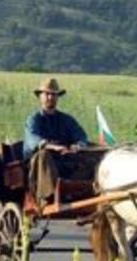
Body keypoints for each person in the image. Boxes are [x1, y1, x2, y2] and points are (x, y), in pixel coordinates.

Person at [23, 77, 96, 205]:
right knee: (44, 155)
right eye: (47, 94)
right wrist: (52, 147)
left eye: (54, 95)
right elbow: (33, 140)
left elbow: (81, 136)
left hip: (64, 159)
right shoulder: (33, 119)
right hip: (38, 166)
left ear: (58, 97)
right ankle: (48, 194)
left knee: (91, 155)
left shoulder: (66, 119)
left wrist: (77, 146)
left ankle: (86, 190)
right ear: (40, 96)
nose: (50, 98)